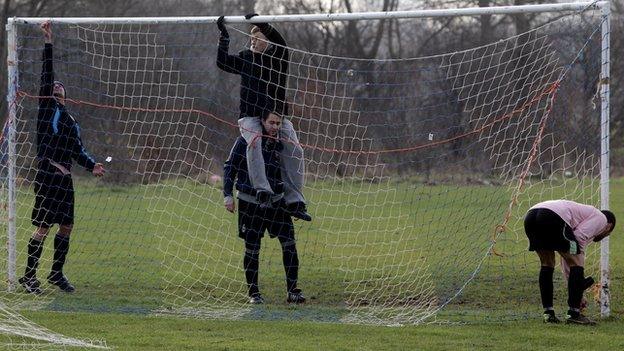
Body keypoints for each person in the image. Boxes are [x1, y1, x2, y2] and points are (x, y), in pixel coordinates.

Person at [18, 21, 106, 294]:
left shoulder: (70, 119)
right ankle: (29, 277)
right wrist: (48, 42)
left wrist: (93, 166)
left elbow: (77, 150)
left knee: (66, 226)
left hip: (65, 180)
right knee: (43, 226)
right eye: (52, 89)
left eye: (59, 89)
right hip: (48, 176)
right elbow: (47, 76)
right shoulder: (46, 109)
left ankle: (56, 273)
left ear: (66, 96)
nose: (56, 90)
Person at [216, 14, 311, 222]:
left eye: (258, 36)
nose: (253, 40)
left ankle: (295, 201)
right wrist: (224, 36)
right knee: (255, 142)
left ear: (267, 40)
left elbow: (282, 44)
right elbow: (222, 62)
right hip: (250, 116)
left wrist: (263, 24)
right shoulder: (245, 58)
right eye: (251, 37)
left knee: (295, 149)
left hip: (275, 116)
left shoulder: (278, 58)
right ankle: (263, 191)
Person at [223, 109, 305, 304]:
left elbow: (290, 170)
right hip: (250, 203)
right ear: (262, 121)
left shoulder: (282, 142)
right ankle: (254, 294)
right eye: (271, 123)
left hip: (277, 201)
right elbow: (230, 167)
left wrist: (294, 200)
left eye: (278, 123)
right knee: (252, 248)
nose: (275, 127)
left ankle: (293, 290)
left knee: (289, 245)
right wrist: (227, 195)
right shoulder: (245, 140)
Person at [524, 200, 616, 325]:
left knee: (547, 263)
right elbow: (578, 237)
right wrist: (578, 281)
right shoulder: (602, 219)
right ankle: (574, 314)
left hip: (531, 216)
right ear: (609, 226)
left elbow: (567, 252)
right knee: (577, 262)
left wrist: (576, 288)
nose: (603, 236)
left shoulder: (584, 214)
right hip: (551, 216)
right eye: (607, 234)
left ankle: (548, 314)